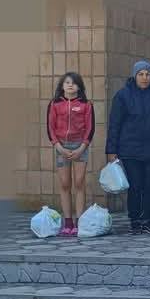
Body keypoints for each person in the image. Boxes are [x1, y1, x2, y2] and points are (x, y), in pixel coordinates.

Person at [106, 59, 150, 235]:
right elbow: (115, 124)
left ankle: (148, 220)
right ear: (134, 76)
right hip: (130, 149)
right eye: (141, 74)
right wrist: (111, 150)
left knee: (149, 186)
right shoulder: (123, 96)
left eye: (148, 74)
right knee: (135, 186)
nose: (144, 77)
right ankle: (134, 220)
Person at [47, 72, 94, 237]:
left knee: (79, 183)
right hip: (61, 147)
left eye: (74, 83)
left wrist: (82, 147)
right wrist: (59, 147)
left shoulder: (86, 104)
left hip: (80, 146)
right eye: (67, 82)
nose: (70, 85)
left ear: (79, 87)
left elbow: (90, 128)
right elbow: (50, 128)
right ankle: (68, 223)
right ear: (62, 86)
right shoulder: (54, 104)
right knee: (65, 184)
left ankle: (79, 222)